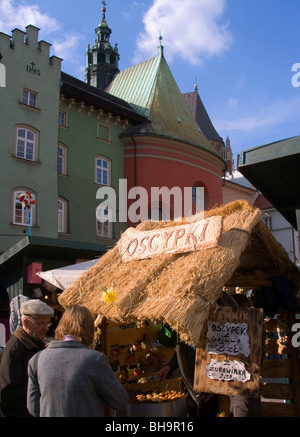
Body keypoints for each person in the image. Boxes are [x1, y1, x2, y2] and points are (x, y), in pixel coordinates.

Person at [27, 304, 129, 417]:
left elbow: (33, 408)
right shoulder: (95, 360)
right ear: (89, 329)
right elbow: (119, 400)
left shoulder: (36, 360)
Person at [0, 299, 54, 417]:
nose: (46, 328)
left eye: (47, 323)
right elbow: (6, 394)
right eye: (41, 323)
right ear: (25, 323)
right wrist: (43, 391)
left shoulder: (36, 344)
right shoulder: (14, 350)